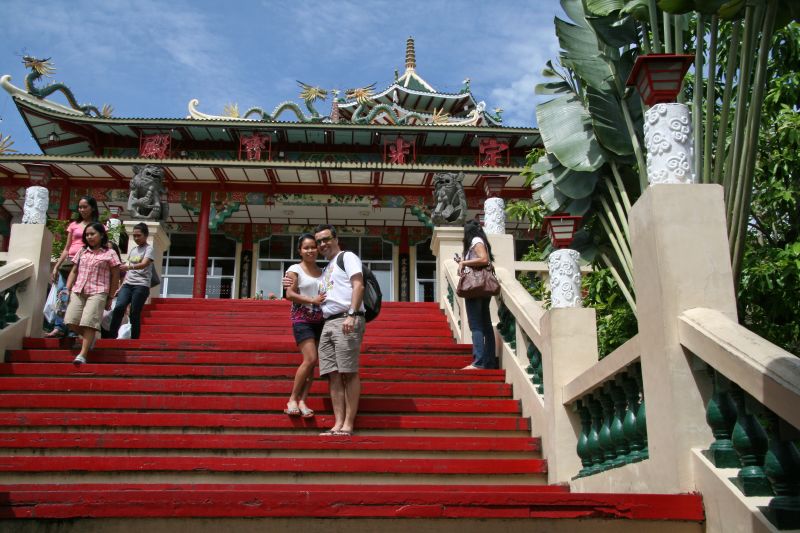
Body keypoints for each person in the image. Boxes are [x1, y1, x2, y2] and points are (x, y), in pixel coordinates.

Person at [314, 224, 365, 436]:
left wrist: (352, 314)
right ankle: (337, 423)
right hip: (328, 322)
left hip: (346, 318)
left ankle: (348, 424)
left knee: (348, 372)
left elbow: (358, 285)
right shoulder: (326, 268)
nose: (323, 244)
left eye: (326, 239)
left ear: (336, 239)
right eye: (319, 242)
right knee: (333, 375)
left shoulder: (347, 257)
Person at [64, 222, 121, 365]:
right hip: (79, 290)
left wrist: (110, 297)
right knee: (70, 320)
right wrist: (67, 288)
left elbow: (115, 276)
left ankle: (82, 355)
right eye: (87, 234)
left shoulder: (110, 253)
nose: (89, 237)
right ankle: (91, 339)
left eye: (92, 234)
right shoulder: (82, 251)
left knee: (89, 323)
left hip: (98, 291)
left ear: (101, 235)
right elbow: (74, 271)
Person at [283, 233, 326, 418]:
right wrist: (312, 300)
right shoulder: (295, 269)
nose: (310, 250)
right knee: (310, 359)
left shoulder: (325, 272)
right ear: (300, 251)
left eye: (313, 247)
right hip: (302, 319)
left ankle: (303, 401)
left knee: (313, 362)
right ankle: (292, 398)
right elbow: (289, 294)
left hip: (321, 320)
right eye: (306, 247)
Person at [46, 196, 100, 338]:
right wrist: (57, 265)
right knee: (62, 294)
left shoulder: (97, 226)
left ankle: (72, 328)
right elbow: (66, 247)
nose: (82, 209)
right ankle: (59, 326)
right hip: (68, 263)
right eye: (80, 207)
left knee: (77, 297)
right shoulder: (74, 225)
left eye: (85, 207)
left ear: (92, 208)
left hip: (85, 264)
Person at [458, 219, 498, 370]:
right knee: (486, 325)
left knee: (476, 325)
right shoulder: (480, 240)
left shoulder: (475, 240)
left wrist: (464, 263)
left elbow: (484, 259)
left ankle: (479, 361)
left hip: (475, 289)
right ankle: (489, 362)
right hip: (483, 288)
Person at [108, 223, 154, 340]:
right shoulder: (133, 249)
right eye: (134, 236)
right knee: (119, 307)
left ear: (146, 235)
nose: (136, 238)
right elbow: (128, 269)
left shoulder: (149, 249)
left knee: (134, 312)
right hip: (128, 284)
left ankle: (134, 338)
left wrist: (129, 267)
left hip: (141, 285)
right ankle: (111, 336)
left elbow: (144, 264)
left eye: (139, 235)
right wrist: (121, 285)